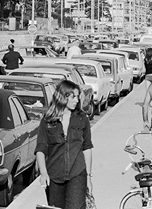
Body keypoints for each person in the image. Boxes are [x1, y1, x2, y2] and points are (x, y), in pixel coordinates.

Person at [35, 80, 93, 209]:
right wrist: (43, 173)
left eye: (78, 96)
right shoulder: (48, 120)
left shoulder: (82, 118)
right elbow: (41, 148)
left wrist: (88, 177)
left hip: (77, 173)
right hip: (54, 176)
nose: (77, 100)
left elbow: (87, 147)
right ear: (63, 97)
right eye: (73, 97)